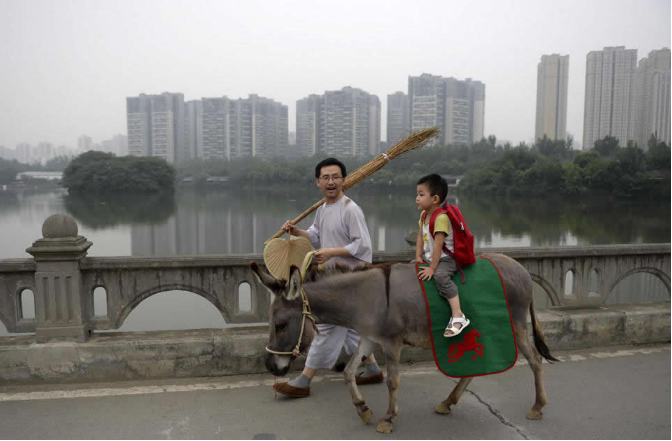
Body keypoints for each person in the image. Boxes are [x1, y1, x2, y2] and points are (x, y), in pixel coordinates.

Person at [274, 157, 384, 398]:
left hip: (350, 282)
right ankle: (373, 369)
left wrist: (332, 252)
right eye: (326, 177)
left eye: (335, 177)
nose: (331, 182)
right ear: (318, 182)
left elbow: (363, 246)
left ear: (344, 180)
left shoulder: (350, 209)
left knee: (326, 328)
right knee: (351, 329)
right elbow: (315, 235)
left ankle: (304, 381)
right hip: (333, 282)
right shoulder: (323, 209)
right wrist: (297, 232)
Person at [415, 174, 470, 338]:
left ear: (435, 199)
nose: (417, 198)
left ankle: (458, 315)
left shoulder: (441, 218)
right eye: (417, 194)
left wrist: (432, 268)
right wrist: (418, 256)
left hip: (446, 259)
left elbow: (439, 245)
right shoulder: (424, 215)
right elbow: (420, 236)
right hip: (431, 257)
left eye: (421, 194)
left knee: (440, 277)